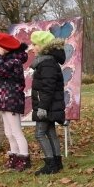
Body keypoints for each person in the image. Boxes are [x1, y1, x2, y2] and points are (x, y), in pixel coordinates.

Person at [0, 31, 31, 171]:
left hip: (12, 100)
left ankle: (24, 157)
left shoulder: (13, 61)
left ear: (4, 49)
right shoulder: (5, 60)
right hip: (4, 100)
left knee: (16, 131)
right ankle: (14, 156)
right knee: (8, 131)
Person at [29, 30, 66, 175]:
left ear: (42, 46)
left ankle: (51, 164)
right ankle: (57, 162)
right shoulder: (48, 62)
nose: (32, 48)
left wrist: (42, 107)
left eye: (34, 44)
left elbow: (48, 87)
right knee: (50, 132)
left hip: (46, 107)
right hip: (49, 106)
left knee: (39, 133)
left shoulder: (47, 63)